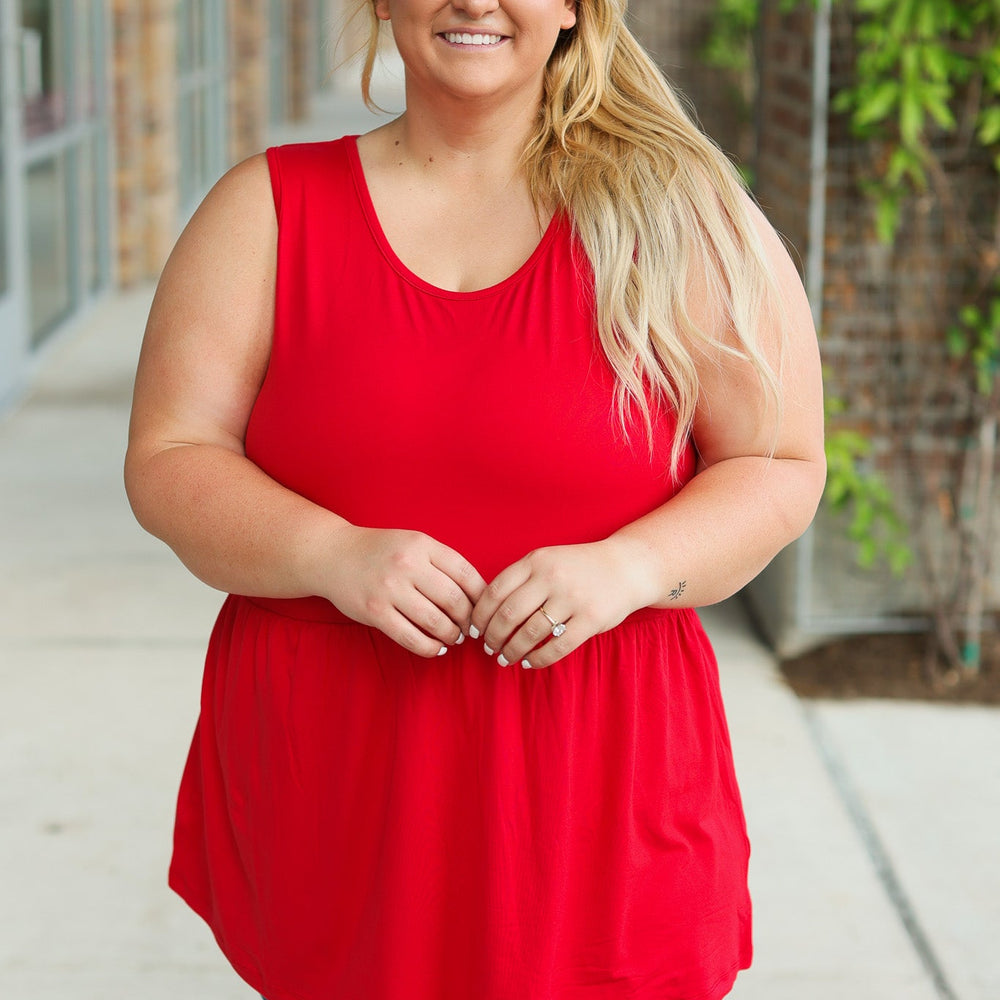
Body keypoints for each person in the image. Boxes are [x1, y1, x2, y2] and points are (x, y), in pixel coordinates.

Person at [124, 0, 826, 995]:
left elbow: (779, 464)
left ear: (576, 8)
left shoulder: (683, 216)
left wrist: (627, 566)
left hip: (594, 799)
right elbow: (170, 453)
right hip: (339, 788)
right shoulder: (266, 210)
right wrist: (330, 552)